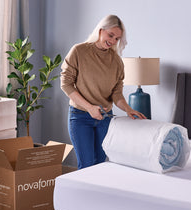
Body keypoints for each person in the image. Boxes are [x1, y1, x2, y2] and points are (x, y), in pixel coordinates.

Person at [60, 14, 146, 169]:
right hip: (80, 117)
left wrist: (128, 109)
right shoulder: (79, 51)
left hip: (104, 118)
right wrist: (89, 108)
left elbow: (116, 93)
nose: (113, 41)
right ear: (100, 30)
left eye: (117, 38)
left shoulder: (117, 61)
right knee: (86, 164)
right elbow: (66, 84)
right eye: (110, 35)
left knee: (100, 165)